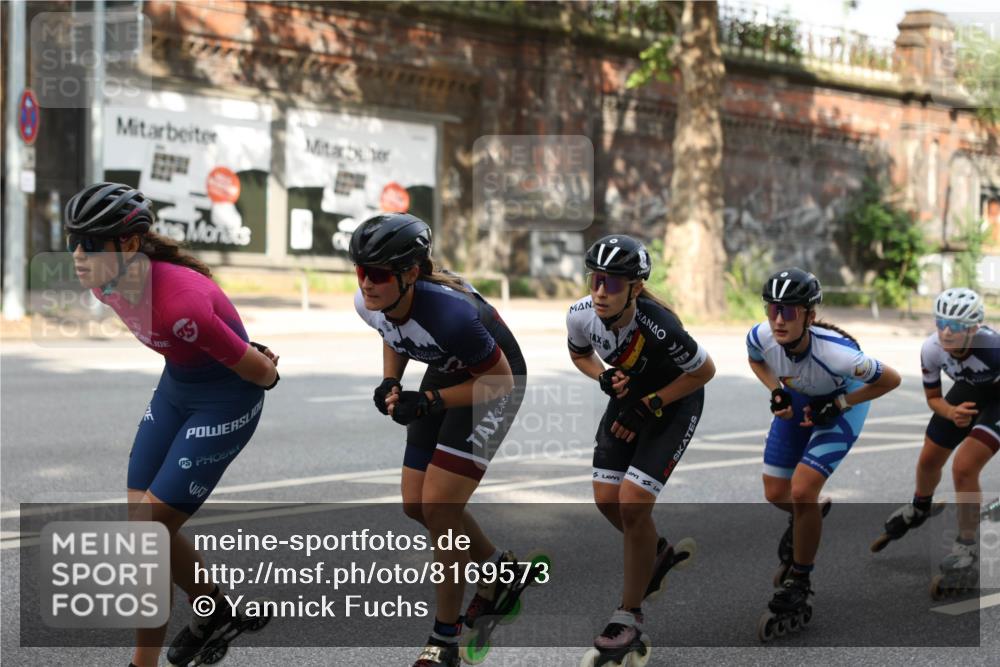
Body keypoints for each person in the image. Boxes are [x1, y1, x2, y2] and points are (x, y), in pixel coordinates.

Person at [64, 182, 280, 667]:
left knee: (146, 535)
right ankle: (215, 612)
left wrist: (264, 362)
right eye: (74, 240)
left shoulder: (182, 303)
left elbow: (260, 374)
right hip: (177, 389)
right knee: (144, 522)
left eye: (92, 243)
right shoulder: (104, 282)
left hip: (227, 399)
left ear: (130, 246)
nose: (78, 255)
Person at [350, 213, 529, 667]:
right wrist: (390, 381)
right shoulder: (371, 299)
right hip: (449, 370)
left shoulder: (449, 313)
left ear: (410, 274)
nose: (366, 284)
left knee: (441, 507)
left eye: (377, 274)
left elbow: (498, 384)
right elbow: (390, 328)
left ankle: (443, 637)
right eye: (359, 271)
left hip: (495, 379)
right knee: (416, 504)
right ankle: (499, 569)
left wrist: (429, 400)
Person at [567, 235, 715, 665]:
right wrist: (602, 377)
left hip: (675, 401)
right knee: (605, 500)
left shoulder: (658, 324)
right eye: (595, 279)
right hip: (630, 398)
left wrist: (650, 404)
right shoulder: (580, 315)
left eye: (612, 284)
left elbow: (705, 371)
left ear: (634, 288)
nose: (599, 291)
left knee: (633, 504)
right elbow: (579, 355)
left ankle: (628, 615)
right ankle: (656, 553)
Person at [747, 268, 900, 637]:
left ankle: (800, 580)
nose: (779, 320)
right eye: (773, 309)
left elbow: (891, 379)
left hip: (842, 402)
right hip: (801, 397)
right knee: (775, 492)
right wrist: (776, 390)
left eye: (791, 311)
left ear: (810, 315)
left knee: (802, 490)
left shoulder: (839, 354)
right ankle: (806, 519)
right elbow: (756, 359)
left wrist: (843, 403)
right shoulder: (760, 335)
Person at [874, 288, 998, 576]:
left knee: (964, 467)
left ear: (974, 327)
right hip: (968, 391)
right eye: (940, 322)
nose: (946, 331)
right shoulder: (931, 348)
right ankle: (919, 507)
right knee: (929, 459)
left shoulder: (993, 349)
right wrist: (950, 413)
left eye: (955, 326)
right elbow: (933, 399)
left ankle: (966, 547)